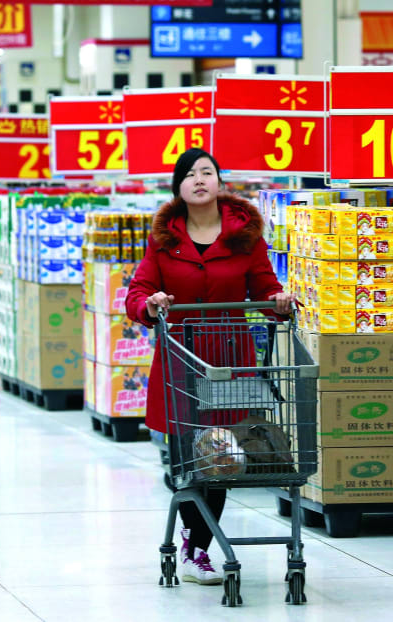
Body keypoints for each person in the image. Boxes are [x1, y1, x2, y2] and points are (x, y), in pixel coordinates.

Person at [125, 148, 295, 585]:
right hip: (180, 359)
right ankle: (193, 542)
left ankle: (197, 547)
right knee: (185, 456)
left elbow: (265, 287)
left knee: (221, 454)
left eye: (208, 172)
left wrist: (277, 302)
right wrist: (150, 302)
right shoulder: (164, 241)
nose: (200, 179)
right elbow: (138, 291)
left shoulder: (245, 237)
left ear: (219, 183)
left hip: (227, 362)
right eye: (190, 174)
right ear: (178, 188)